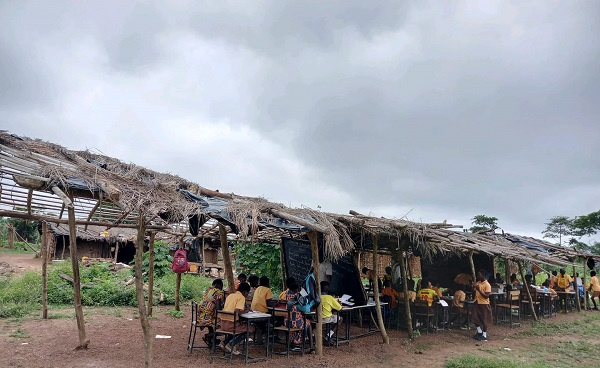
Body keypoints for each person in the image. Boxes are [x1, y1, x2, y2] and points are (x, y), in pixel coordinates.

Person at [220, 282, 253, 355]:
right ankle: (231, 345)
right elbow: (237, 312)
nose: (247, 295)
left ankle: (224, 342)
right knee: (250, 329)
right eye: (248, 293)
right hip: (231, 325)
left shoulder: (230, 295)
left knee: (240, 328)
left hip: (223, 324)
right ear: (244, 292)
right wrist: (246, 310)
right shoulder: (241, 297)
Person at [281, 278, 313, 349]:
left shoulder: (286, 294)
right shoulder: (299, 295)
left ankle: (294, 342)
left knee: (300, 321)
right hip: (296, 322)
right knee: (308, 323)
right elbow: (306, 302)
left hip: (287, 322)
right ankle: (311, 346)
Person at [198, 278, 225, 346]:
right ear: (219, 285)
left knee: (212, 315)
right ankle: (208, 336)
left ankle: (212, 340)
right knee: (223, 324)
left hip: (201, 316)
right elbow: (218, 309)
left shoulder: (208, 289)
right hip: (207, 318)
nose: (222, 288)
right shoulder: (218, 292)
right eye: (222, 286)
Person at [251, 276, 273, 344]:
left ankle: (260, 332)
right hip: (262, 311)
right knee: (273, 318)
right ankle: (269, 333)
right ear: (267, 283)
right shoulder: (267, 290)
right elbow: (269, 304)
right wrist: (275, 304)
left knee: (261, 323)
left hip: (253, 310)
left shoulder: (257, 288)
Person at [471, 270, 493, 341]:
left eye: (479, 275)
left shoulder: (487, 285)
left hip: (484, 303)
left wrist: (479, 290)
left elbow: (486, 296)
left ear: (483, 275)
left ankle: (484, 335)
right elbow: (474, 292)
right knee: (474, 317)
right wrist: (472, 287)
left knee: (484, 319)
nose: (478, 276)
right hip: (476, 302)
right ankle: (479, 331)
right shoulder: (478, 283)